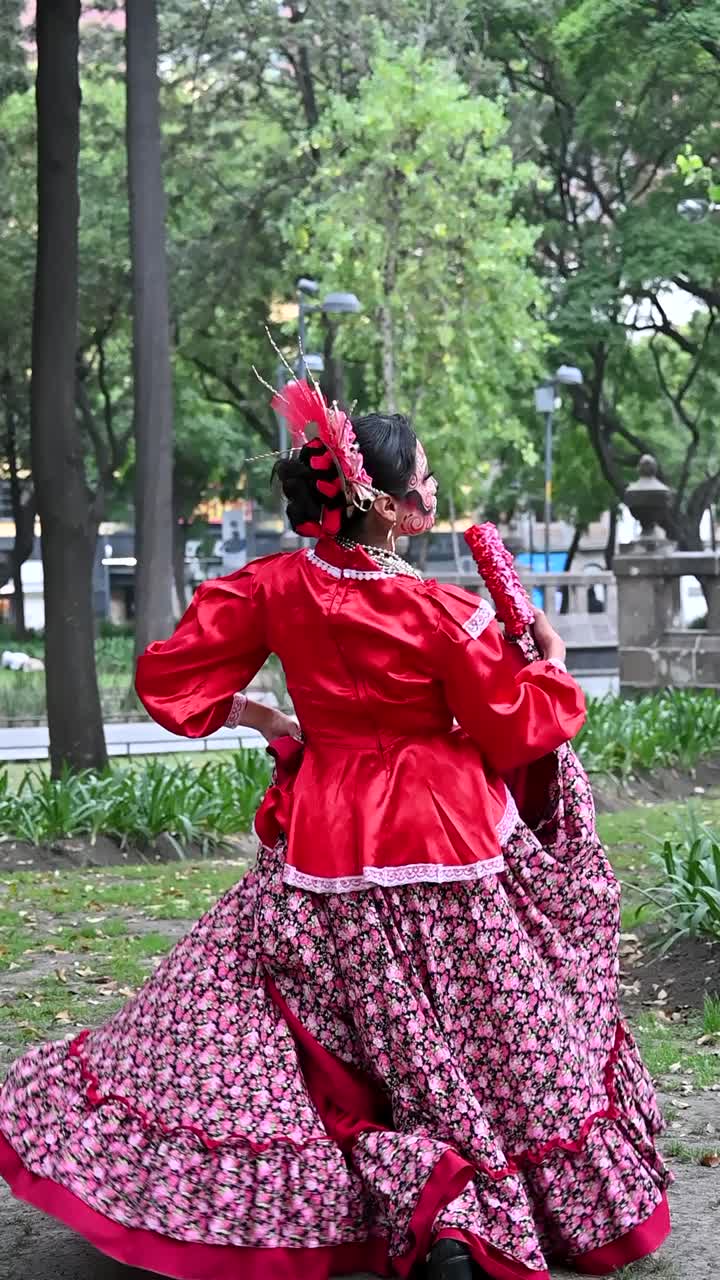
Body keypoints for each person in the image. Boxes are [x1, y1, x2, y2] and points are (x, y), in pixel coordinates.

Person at [0, 385, 670, 1280]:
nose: (435, 489)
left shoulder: (274, 588)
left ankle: (416, 1191)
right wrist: (547, 662)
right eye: (425, 479)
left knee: (324, 1024)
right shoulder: (445, 612)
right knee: (487, 1028)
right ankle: (471, 1198)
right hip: (449, 836)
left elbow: (168, 674)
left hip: (323, 839)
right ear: (390, 508)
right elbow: (515, 727)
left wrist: (261, 718)